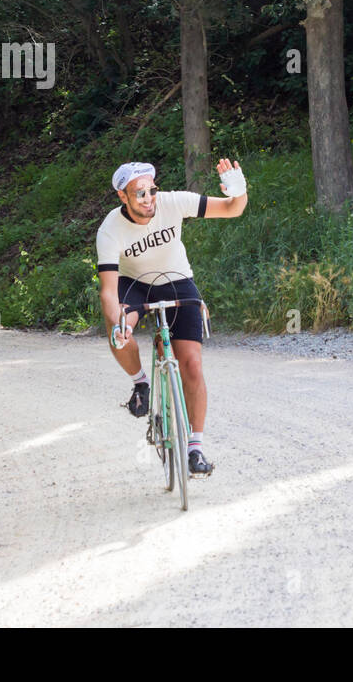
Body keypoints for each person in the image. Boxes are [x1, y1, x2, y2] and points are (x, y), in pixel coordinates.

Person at [96, 158, 247, 476]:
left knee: (191, 363)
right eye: (139, 193)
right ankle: (141, 383)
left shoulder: (173, 202)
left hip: (177, 280)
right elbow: (109, 292)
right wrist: (120, 323)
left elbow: (233, 208)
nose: (148, 198)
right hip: (134, 285)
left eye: (151, 190)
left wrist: (239, 189)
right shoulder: (110, 229)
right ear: (123, 196)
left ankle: (195, 448)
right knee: (117, 326)